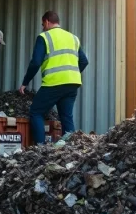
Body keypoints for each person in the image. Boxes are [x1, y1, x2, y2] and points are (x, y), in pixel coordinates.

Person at [19, 11, 88, 145]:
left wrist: (25, 82)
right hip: (73, 83)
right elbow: (84, 61)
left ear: (46, 21)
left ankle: (40, 148)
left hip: (54, 83)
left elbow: (35, 62)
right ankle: (70, 149)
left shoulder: (44, 37)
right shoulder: (73, 37)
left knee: (36, 112)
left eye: (42, 24)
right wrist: (72, 73)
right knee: (66, 116)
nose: (42, 27)